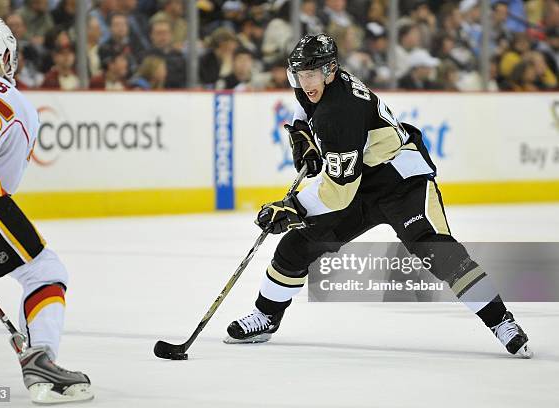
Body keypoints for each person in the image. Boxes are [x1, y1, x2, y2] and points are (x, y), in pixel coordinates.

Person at [225, 34, 532, 359]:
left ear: (330, 71)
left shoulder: (339, 111)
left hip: (401, 182)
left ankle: (501, 322)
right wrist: (302, 132)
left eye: (311, 75)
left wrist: (293, 207)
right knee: (297, 246)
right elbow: (307, 108)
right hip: (361, 179)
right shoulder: (323, 85)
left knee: (437, 250)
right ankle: (266, 316)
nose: (305, 83)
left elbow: (338, 192)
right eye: (299, 75)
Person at [0, 17, 93, 403]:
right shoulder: (19, 105)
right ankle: (42, 359)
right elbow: (4, 186)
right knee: (44, 272)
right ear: (6, 56)